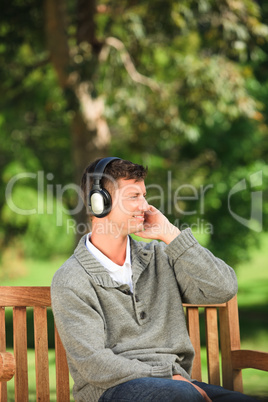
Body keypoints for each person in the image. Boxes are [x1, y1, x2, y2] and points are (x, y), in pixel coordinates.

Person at [51, 157, 257, 402]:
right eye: (134, 196)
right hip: (112, 390)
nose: (145, 206)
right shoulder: (71, 279)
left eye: (144, 195)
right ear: (99, 203)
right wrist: (166, 377)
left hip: (178, 386)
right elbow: (95, 365)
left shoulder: (160, 258)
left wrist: (171, 234)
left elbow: (223, 288)